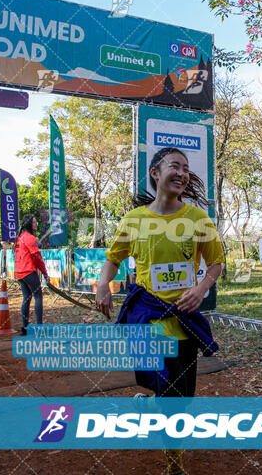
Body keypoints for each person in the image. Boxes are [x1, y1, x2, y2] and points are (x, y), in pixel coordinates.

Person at [96, 147, 224, 475]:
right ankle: (174, 468)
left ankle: (147, 404)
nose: (182, 173)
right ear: (155, 173)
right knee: (172, 399)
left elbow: (216, 262)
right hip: (148, 322)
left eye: (186, 168)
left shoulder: (198, 220)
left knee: (182, 399)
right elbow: (113, 258)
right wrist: (102, 286)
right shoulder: (134, 220)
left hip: (185, 323)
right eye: (174, 166)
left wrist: (201, 288)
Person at [14, 214, 48, 335]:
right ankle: (39, 328)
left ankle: (25, 328)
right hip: (28, 271)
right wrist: (45, 272)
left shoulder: (20, 237)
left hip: (19, 273)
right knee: (38, 296)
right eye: (34, 222)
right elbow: (37, 257)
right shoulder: (30, 238)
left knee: (26, 298)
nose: (36, 225)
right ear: (30, 224)